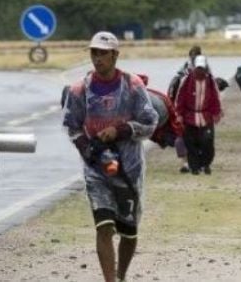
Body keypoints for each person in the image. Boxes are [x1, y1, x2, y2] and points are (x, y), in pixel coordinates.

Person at [62, 31, 158, 282]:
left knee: (128, 231)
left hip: (129, 170)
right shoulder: (79, 89)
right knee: (104, 225)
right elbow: (71, 126)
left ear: (115, 55)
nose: (97, 58)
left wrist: (122, 130)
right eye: (94, 53)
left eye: (103, 53)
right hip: (97, 170)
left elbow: (150, 122)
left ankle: (121, 275)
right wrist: (86, 147)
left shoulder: (133, 85)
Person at [173, 55, 222, 175]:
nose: (200, 71)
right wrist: (179, 114)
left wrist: (217, 113)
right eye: (198, 69)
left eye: (202, 69)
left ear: (205, 69)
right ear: (195, 68)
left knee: (208, 142)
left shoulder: (210, 81)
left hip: (206, 117)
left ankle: (205, 164)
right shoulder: (186, 80)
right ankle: (194, 167)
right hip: (189, 117)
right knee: (191, 144)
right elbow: (180, 98)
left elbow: (216, 98)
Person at [167, 45, 202, 174]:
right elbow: (172, 92)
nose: (194, 58)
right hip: (183, 110)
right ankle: (185, 163)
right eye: (192, 56)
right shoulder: (181, 74)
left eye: (196, 56)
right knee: (181, 136)